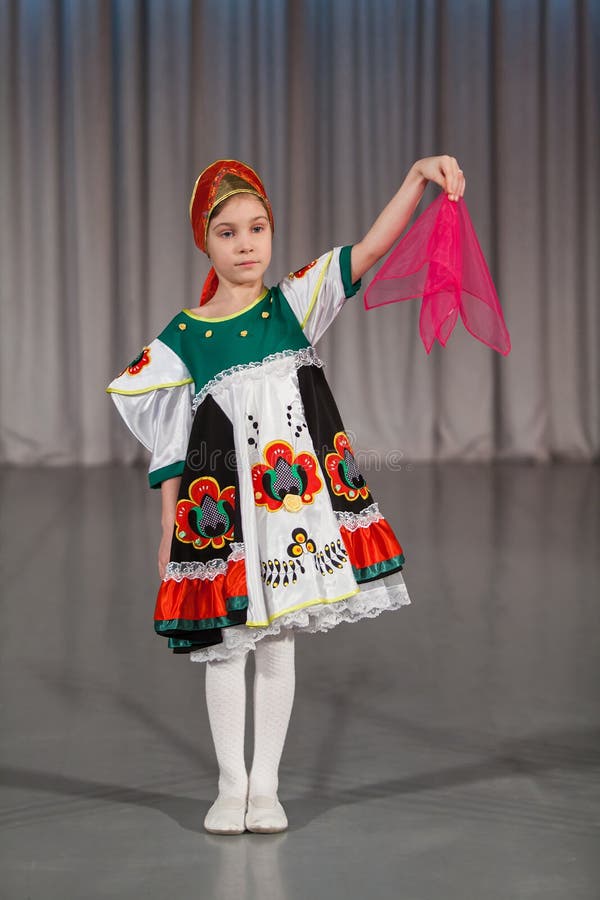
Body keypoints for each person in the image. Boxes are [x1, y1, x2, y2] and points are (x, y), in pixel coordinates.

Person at [107, 156, 466, 835]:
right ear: (204, 242)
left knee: (277, 642)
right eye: (228, 233)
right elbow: (171, 440)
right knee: (226, 641)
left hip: (291, 510)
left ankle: (266, 786)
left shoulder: (294, 303)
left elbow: (371, 249)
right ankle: (230, 783)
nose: (246, 245)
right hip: (223, 517)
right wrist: (167, 524)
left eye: (257, 228)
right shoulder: (185, 337)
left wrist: (417, 180)